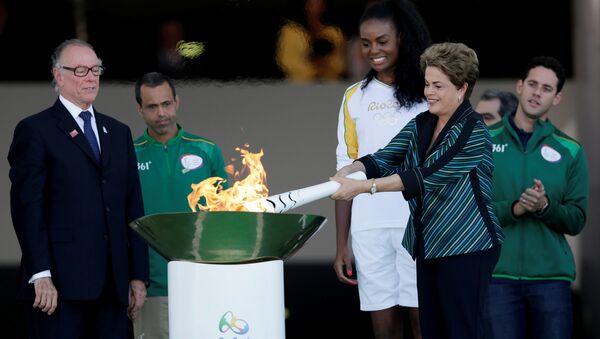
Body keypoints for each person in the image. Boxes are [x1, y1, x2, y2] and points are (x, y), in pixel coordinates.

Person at [331, 42, 504, 339]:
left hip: (467, 247)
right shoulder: (423, 122)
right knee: (432, 331)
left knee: (462, 331)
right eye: (427, 84)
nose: (428, 93)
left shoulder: (474, 131)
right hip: (428, 245)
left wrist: (362, 188)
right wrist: (348, 170)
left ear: (461, 89)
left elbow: (422, 178)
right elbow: (385, 157)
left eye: (438, 86)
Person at [8, 39, 148, 339]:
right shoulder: (36, 130)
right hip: (59, 287)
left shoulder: (118, 132)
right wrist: (40, 273)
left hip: (113, 286)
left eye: (96, 69)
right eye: (81, 70)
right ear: (58, 75)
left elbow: (132, 206)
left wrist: (138, 275)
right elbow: (27, 207)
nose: (91, 77)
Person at [333, 1, 431, 338]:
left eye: (382, 41)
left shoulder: (428, 92)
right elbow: (344, 173)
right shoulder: (354, 97)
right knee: (383, 329)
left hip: (419, 225)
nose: (373, 50)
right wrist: (341, 244)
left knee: (423, 324)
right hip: (369, 229)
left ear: (402, 38)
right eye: (365, 42)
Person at [485, 56, 588, 339]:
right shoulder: (485, 141)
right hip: (497, 277)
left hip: (551, 280)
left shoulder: (571, 150)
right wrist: (514, 209)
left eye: (546, 88)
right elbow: (472, 211)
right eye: (532, 84)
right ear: (519, 86)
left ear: (556, 98)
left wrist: (544, 207)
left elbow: (577, 219)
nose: (536, 92)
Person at [132, 72, 228, 339]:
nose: (161, 112)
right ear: (139, 109)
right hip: (152, 288)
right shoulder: (128, 154)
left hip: (204, 283)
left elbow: (226, 217)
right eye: (152, 106)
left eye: (166, 104)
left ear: (177, 102)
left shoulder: (207, 151)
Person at [275, 0, 346, 82]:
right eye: (311, 3)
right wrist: (313, 70)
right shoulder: (289, 32)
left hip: (328, 84)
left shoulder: (334, 34)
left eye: (318, 3)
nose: (315, 6)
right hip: (299, 85)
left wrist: (326, 65)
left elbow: (341, 63)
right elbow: (286, 61)